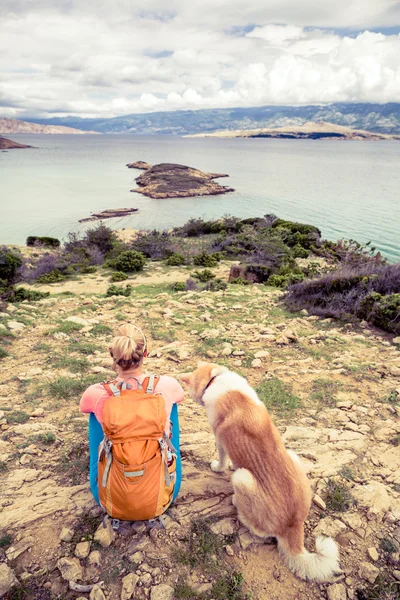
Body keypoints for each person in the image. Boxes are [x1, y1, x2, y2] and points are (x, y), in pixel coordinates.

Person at [80, 323, 184, 508]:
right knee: (170, 406)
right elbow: (181, 396)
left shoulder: (95, 392)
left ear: (112, 353)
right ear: (146, 353)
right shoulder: (167, 385)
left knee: (98, 412)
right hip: (163, 492)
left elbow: (83, 407)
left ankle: (107, 466)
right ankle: (166, 459)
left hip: (109, 497)